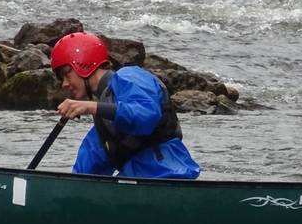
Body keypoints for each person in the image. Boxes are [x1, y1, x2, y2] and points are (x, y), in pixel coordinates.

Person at [50, 32, 200, 179]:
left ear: (83, 65)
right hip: (134, 186)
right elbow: (83, 175)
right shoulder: (103, 125)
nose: (64, 84)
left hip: (171, 174)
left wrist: (91, 107)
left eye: (67, 73)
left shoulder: (129, 76)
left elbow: (146, 115)